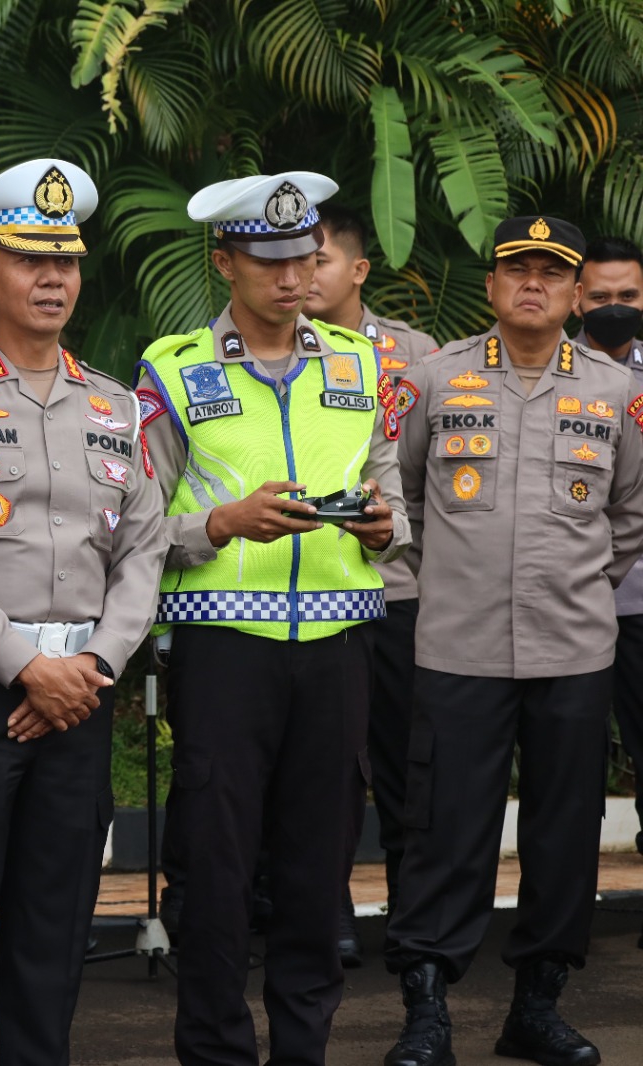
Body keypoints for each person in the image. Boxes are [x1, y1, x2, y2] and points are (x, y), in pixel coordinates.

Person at [0, 158, 167, 1066]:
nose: (54, 279)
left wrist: (93, 667)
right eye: (28, 260)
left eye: (67, 262)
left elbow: (143, 551)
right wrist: (24, 666)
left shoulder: (117, 408)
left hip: (83, 691)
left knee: (55, 935)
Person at [136, 170, 409, 1066]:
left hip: (337, 643)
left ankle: (304, 1050)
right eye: (270, 261)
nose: (293, 277)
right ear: (226, 263)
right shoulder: (173, 370)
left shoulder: (360, 362)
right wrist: (218, 523)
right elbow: (136, 523)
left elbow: (393, 497)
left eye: (304, 257)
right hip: (224, 648)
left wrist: (382, 523)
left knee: (316, 870)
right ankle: (215, 1051)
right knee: (214, 868)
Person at [383, 217, 643, 1066]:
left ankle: (537, 1005)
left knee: (564, 833)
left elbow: (631, 518)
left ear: (576, 294)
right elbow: (402, 502)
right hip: (456, 648)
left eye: (551, 273)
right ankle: (427, 1012)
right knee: (444, 830)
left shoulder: (614, 393)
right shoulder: (431, 381)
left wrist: (579, 588)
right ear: (491, 287)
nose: (532, 283)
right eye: (516, 270)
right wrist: (447, 584)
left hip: (573, 650)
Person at [305, 204, 439, 965]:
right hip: (307, 591)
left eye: (321, 259)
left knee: (404, 759)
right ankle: (326, 914)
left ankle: (412, 921)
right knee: (321, 766)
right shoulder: (270, 347)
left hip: (396, 593)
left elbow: (427, 478)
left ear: (357, 270)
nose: (304, 273)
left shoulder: (416, 357)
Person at [572, 237, 643, 872]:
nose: (614, 308)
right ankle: (567, 905)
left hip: (642, 603)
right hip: (568, 605)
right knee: (569, 762)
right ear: (576, 300)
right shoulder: (550, 371)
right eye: (600, 297)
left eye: (628, 297)